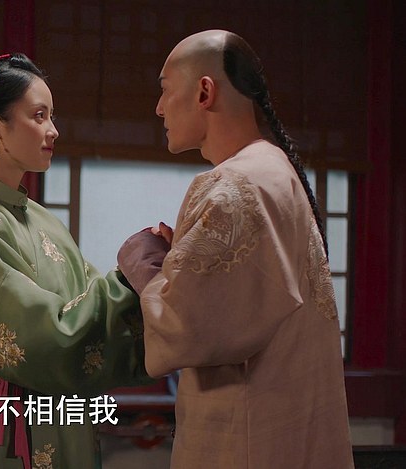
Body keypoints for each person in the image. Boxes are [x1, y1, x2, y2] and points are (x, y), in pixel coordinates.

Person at [117, 30, 354, 468]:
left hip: (245, 436)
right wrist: (183, 257)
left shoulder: (232, 184)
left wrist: (142, 258)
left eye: (166, 90)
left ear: (204, 92)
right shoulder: (273, 168)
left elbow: (182, 325)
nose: (159, 107)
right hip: (283, 423)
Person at [0, 47, 151, 469]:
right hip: (5, 435)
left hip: (62, 418)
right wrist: (130, 276)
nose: (53, 131)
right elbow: (44, 337)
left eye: (51, 116)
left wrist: (155, 279)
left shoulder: (46, 223)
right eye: (39, 116)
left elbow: (92, 309)